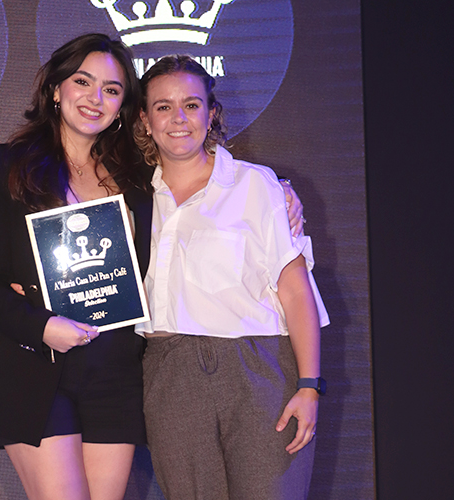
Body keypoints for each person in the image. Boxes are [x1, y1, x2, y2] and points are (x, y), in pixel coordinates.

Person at [0, 34, 304, 500]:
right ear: (56, 88)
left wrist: (280, 189)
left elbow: (204, 180)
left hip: (116, 372)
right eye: (83, 82)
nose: (95, 98)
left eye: (111, 89)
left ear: (124, 106)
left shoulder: (138, 175)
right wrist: (42, 326)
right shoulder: (3, 166)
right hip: (36, 366)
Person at [133, 55, 330, 500]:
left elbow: (295, 290)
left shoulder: (256, 185)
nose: (178, 118)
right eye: (163, 107)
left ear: (211, 114)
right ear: (145, 120)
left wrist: (309, 385)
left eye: (191, 105)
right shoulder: (133, 196)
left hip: (257, 370)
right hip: (169, 371)